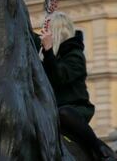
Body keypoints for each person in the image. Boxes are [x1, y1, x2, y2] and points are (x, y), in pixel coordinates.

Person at [39, 12, 115, 160]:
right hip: (52, 110)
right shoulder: (49, 58)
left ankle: (100, 149)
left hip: (74, 109)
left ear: (57, 33)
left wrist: (48, 52)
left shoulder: (75, 55)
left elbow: (59, 77)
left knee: (63, 113)